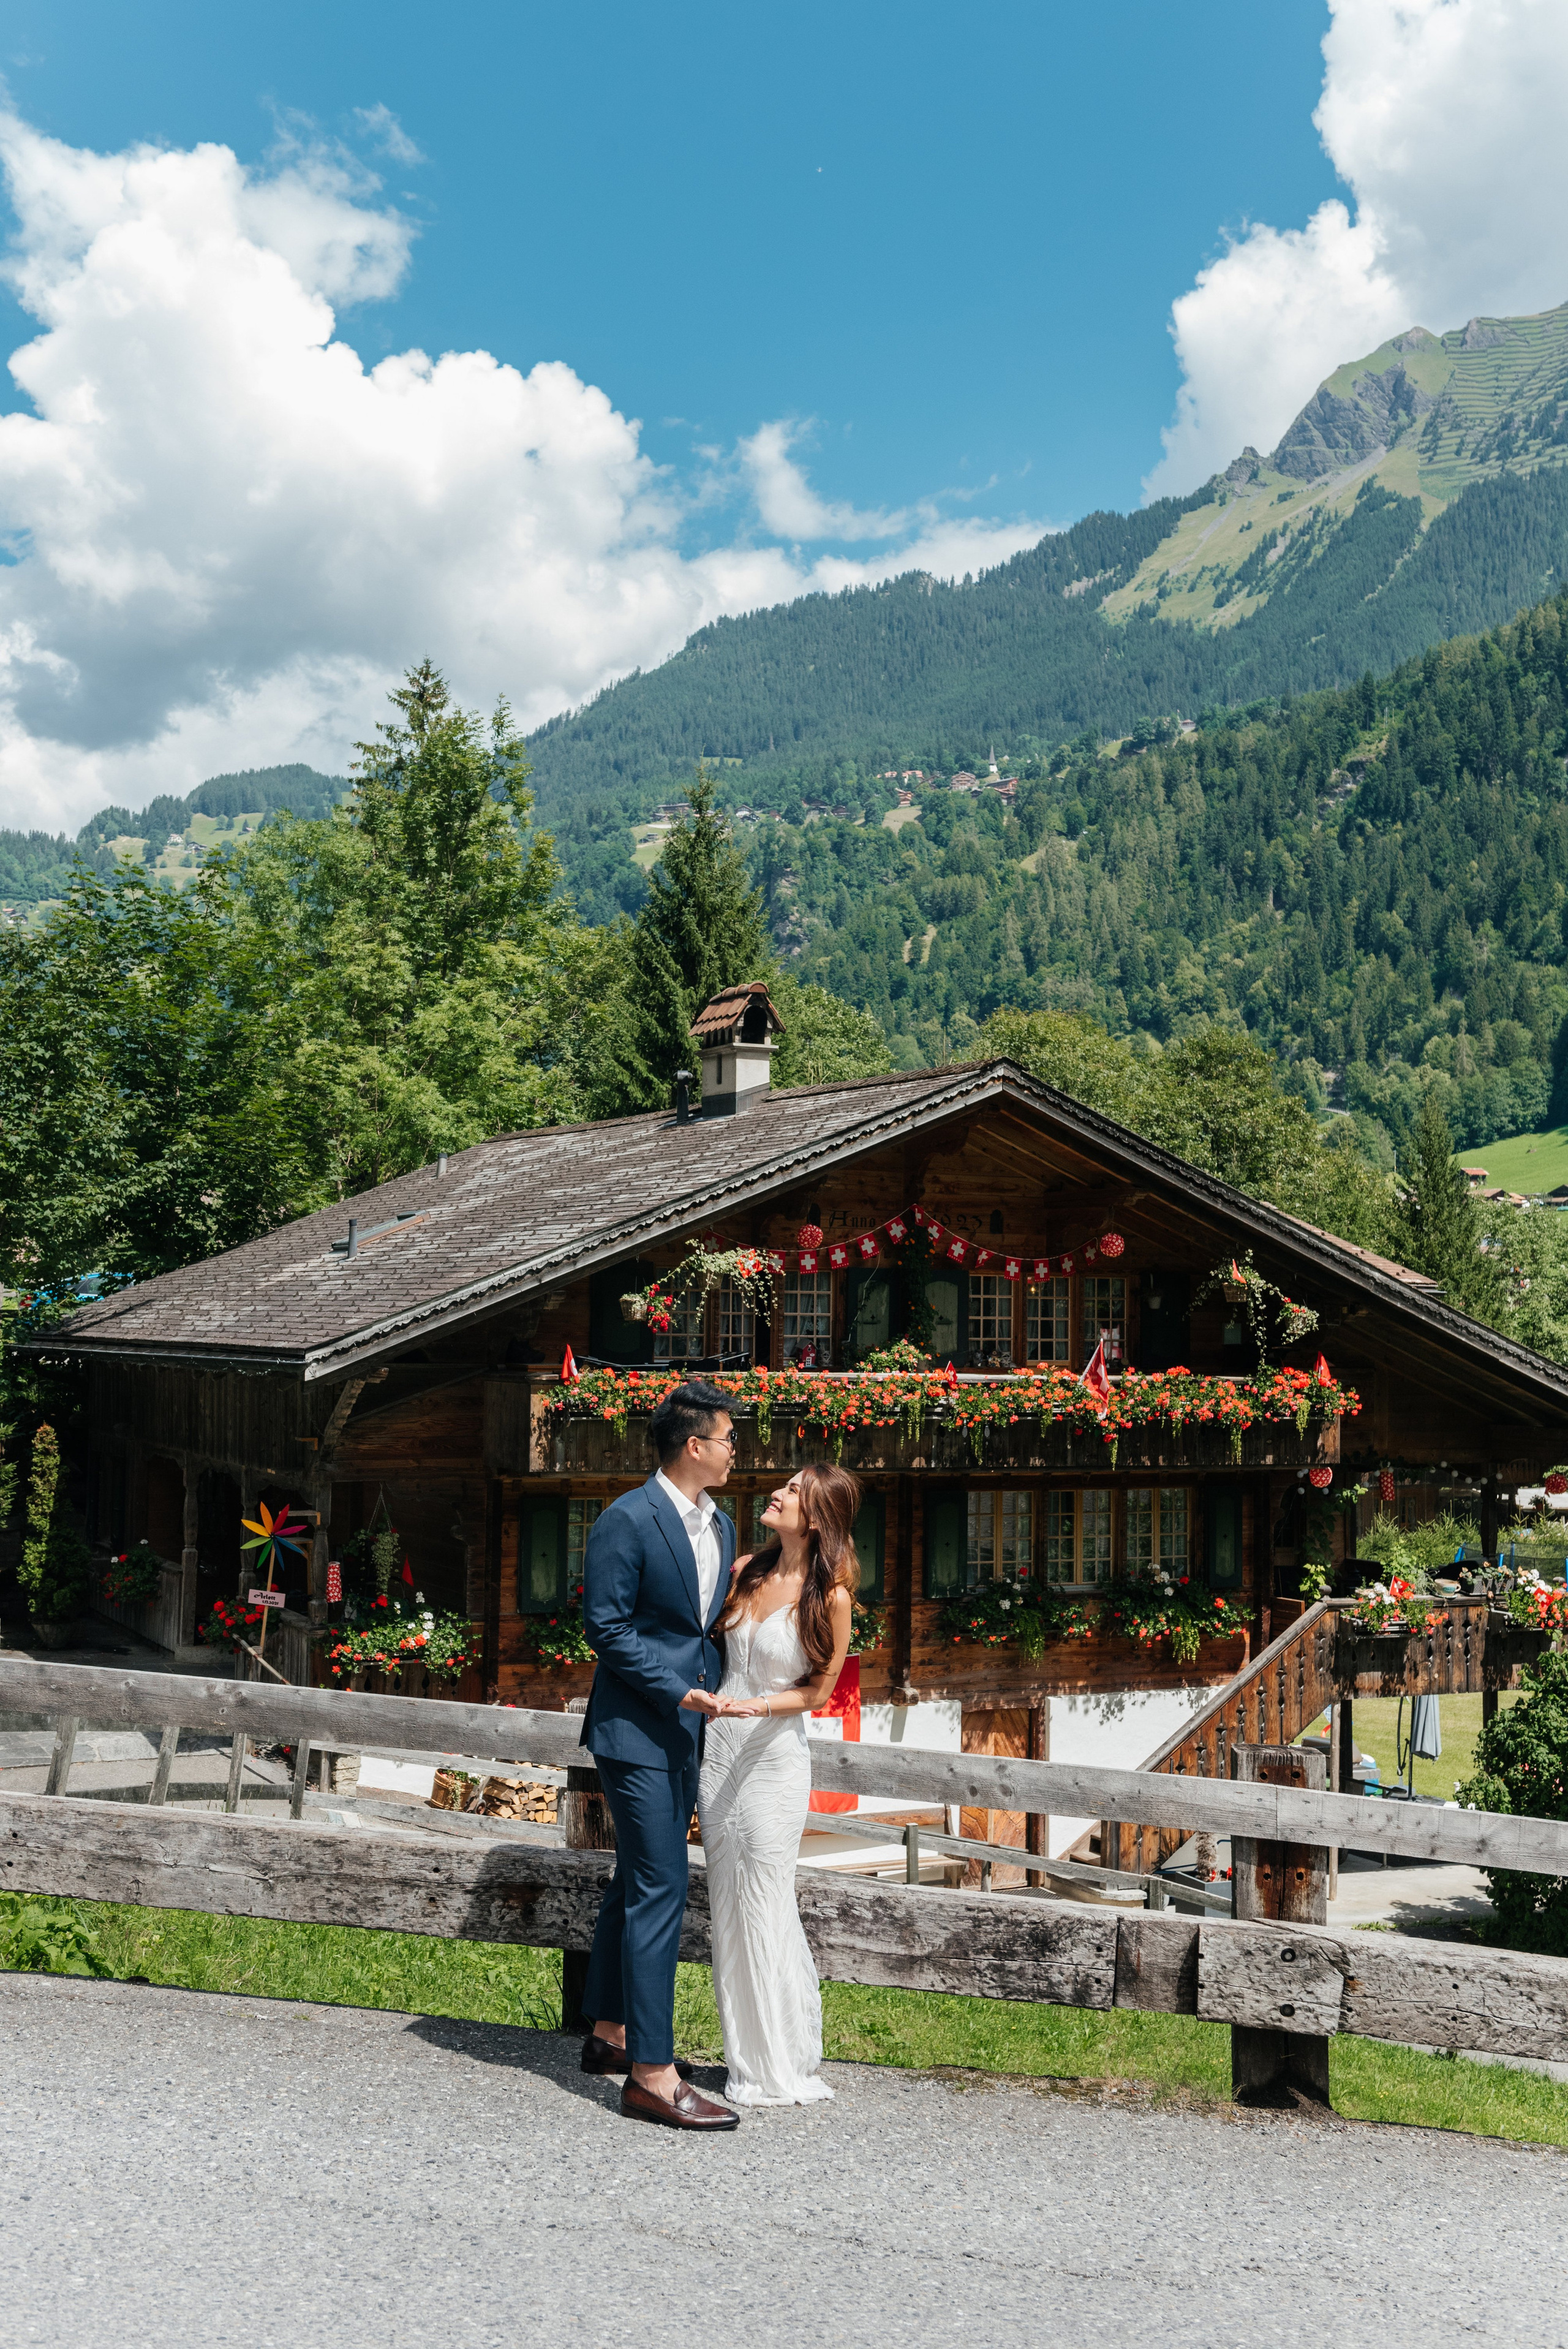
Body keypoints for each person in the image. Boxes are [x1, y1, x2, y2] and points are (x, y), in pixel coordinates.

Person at [578, 1380, 742, 2132]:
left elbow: (699, 1626)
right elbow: (607, 1629)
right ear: (694, 1445)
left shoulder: (722, 1525)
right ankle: (651, 2075)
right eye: (728, 1439)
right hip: (635, 1729)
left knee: (635, 1880)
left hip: (687, 1730)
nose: (736, 1451)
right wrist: (678, 1691)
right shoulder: (626, 1519)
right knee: (661, 1885)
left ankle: (609, 2034)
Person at [698, 1462, 859, 2106]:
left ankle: (779, 2061)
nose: (777, 1493)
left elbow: (819, 1691)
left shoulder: (832, 1597)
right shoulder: (746, 1571)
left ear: (817, 1517)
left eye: (793, 1491)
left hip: (773, 1759)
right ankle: (744, 2057)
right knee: (727, 1904)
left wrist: (756, 1706)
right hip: (719, 1755)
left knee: (765, 1901)